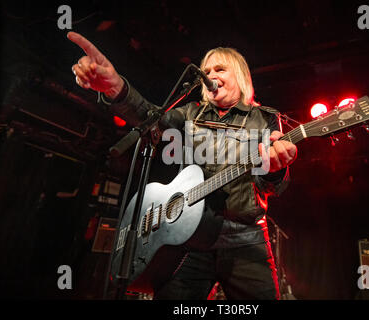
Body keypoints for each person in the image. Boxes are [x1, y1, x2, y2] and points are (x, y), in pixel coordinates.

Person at [68, 31, 297, 300]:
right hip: (188, 240)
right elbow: (149, 116)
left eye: (220, 69)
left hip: (244, 239)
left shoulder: (264, 119)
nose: (211, 74)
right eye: (206, 70)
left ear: (240, 75)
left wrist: (275, 169)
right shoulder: (190, 113)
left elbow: (270, 186)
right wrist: (116, 88)